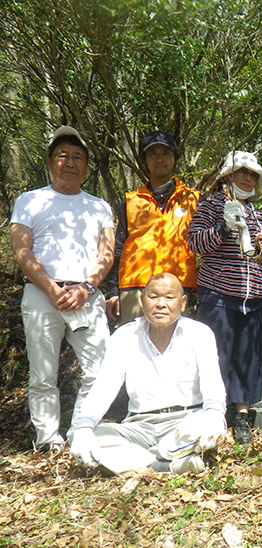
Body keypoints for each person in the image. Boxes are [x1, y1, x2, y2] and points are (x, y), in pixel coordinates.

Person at [10, 126, 115, 452]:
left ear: (86, 166)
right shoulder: (30, 201)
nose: (70, 163)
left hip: (86, 297)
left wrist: (86, 287)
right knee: (43, 375)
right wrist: (52, 289)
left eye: (78, 157)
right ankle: (48, 441)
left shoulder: (99, 206)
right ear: (50, 161)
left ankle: (81, 434)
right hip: (42, 296)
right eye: (63, 156)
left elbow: (107, 253)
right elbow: (21, 251)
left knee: (99, 371)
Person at [69, 273, 227, 475]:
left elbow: (212, 381)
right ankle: (164, 465)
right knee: (85, 433)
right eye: (153, 296)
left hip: (186, 421)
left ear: (183, 302)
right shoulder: (125, 335)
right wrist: (84, 427)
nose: (161, 304)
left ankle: (140, 461)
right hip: (140, 427)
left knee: (209, 422)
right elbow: (104, 387)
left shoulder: (199, 333)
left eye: (169, 297)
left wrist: (214, 414)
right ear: (142, 301)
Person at [187, 151, 262, 446]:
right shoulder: (211, 204)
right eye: (242, 173)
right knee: (216, 357)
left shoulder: (257, 214)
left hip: (252, 296)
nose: (248, 179)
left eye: (253, 175)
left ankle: (242, 417)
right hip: (219, 293)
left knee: (247, 357)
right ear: (228, 175)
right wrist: (223, 227)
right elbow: (196, 243)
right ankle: (214, 413)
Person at [106, 130, 200, 324]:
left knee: (178, 351)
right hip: (135, 288)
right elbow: (119, 247)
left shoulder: (194, 200)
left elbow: (206, 245)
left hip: (179, 289)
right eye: (153, 154)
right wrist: (114, 291)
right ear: (145, 161)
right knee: (135, 350)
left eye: (166, 153)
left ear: (174, 159)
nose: (159, 159)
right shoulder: (131, 201)